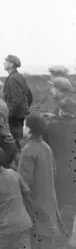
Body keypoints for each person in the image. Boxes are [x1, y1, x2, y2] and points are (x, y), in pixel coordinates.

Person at [18, 113, 66, 248]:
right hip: (49, 200)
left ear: (30, 129)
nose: (23, 128)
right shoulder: (46, 147)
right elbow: (54, 171)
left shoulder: (28, 150)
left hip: (34, 202)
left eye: (24, 125)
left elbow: (24, 181)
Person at [44, 96, 76, 247]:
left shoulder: (51, 126)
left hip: (59, 169)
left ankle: (62, 235)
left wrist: (54, 119)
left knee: (62, 202)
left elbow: (46, 145)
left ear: (61, 111)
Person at [3, 55, 33, 151]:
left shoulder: (13, 79)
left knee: (16, 143)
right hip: (19, 115)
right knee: (18, 142)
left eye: (6, 61)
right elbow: (29, 96)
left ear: (11, 64)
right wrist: (25, 109)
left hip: (14, 117)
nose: (4, 63)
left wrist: (9, 114)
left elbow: (17, 101)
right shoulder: (18, 77)